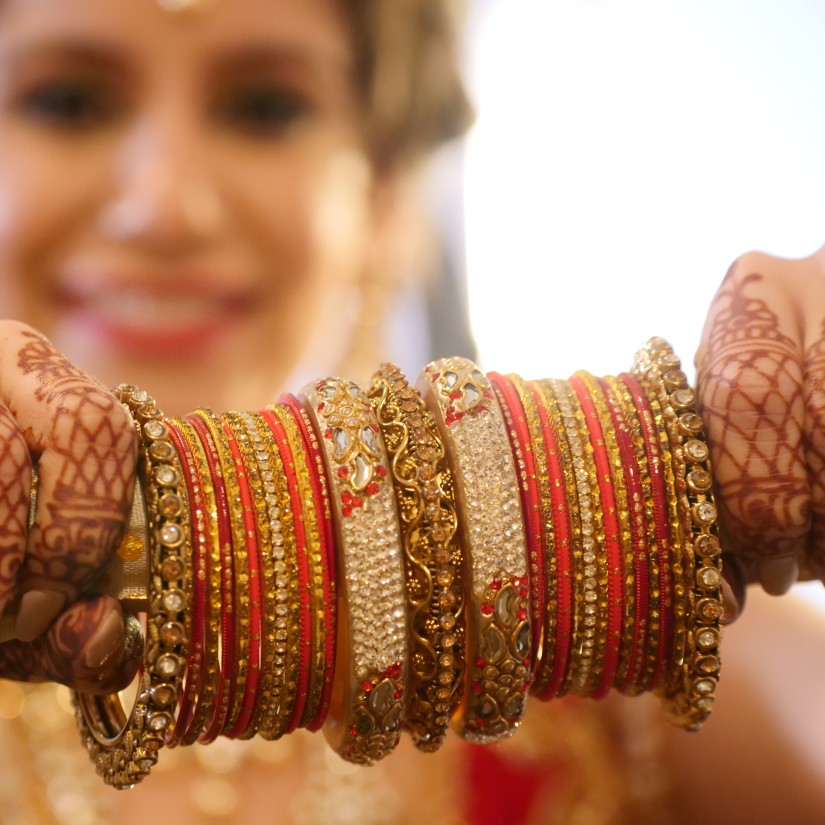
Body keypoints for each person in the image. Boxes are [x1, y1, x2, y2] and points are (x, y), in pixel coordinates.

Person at [0, 0, 822, 822]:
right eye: (65, 102)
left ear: (384, 190)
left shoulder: (635, 634)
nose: (166, 207)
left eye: (267, 108)